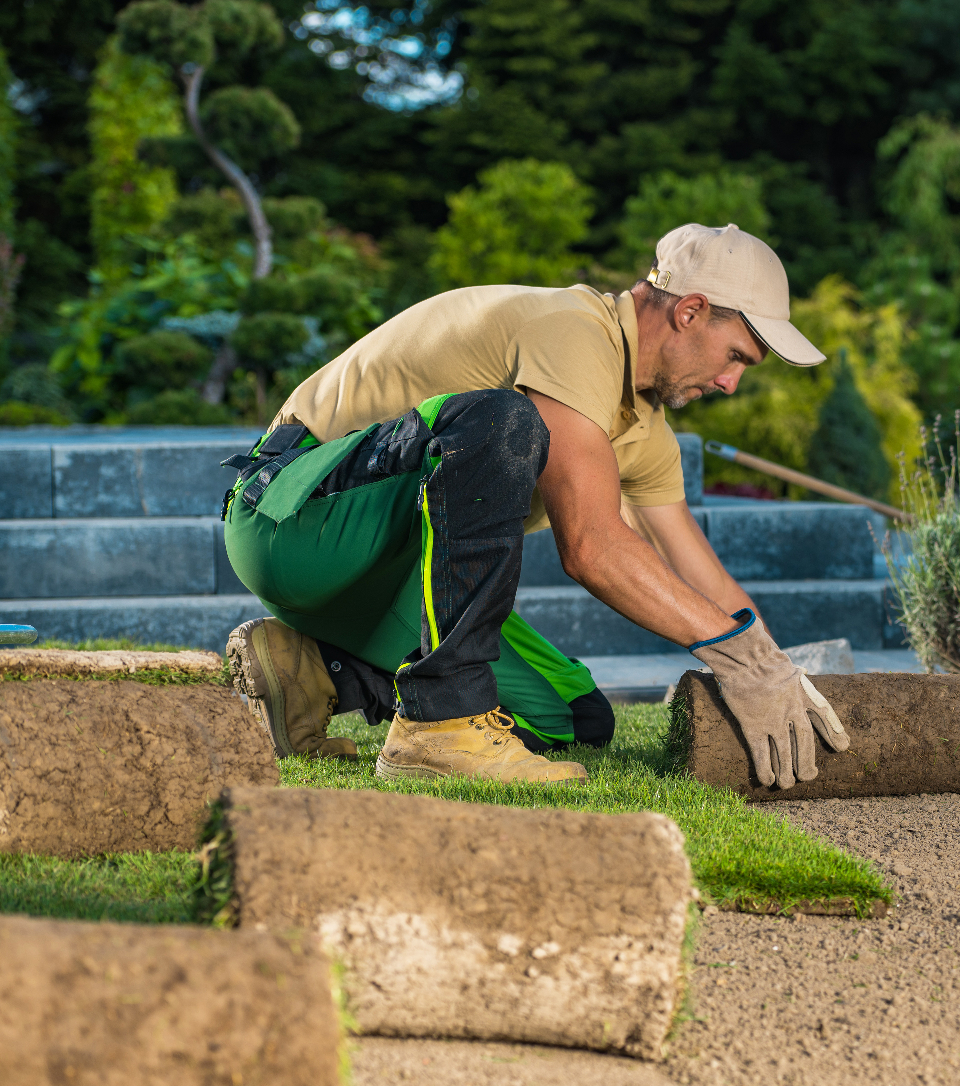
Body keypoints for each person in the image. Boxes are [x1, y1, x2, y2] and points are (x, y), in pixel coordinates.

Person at [221, 223, 848, 788]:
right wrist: (732, 655)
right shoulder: (574, 332)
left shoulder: (645, 433)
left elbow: (691, 564)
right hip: (290, 519)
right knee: (502, 421)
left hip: (387, 577)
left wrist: (770, 666)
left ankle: (316, 671)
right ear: (691, 311)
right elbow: (592, 548)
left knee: (575, 717)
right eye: (737, 355)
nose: (732, 383)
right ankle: (440, 723)